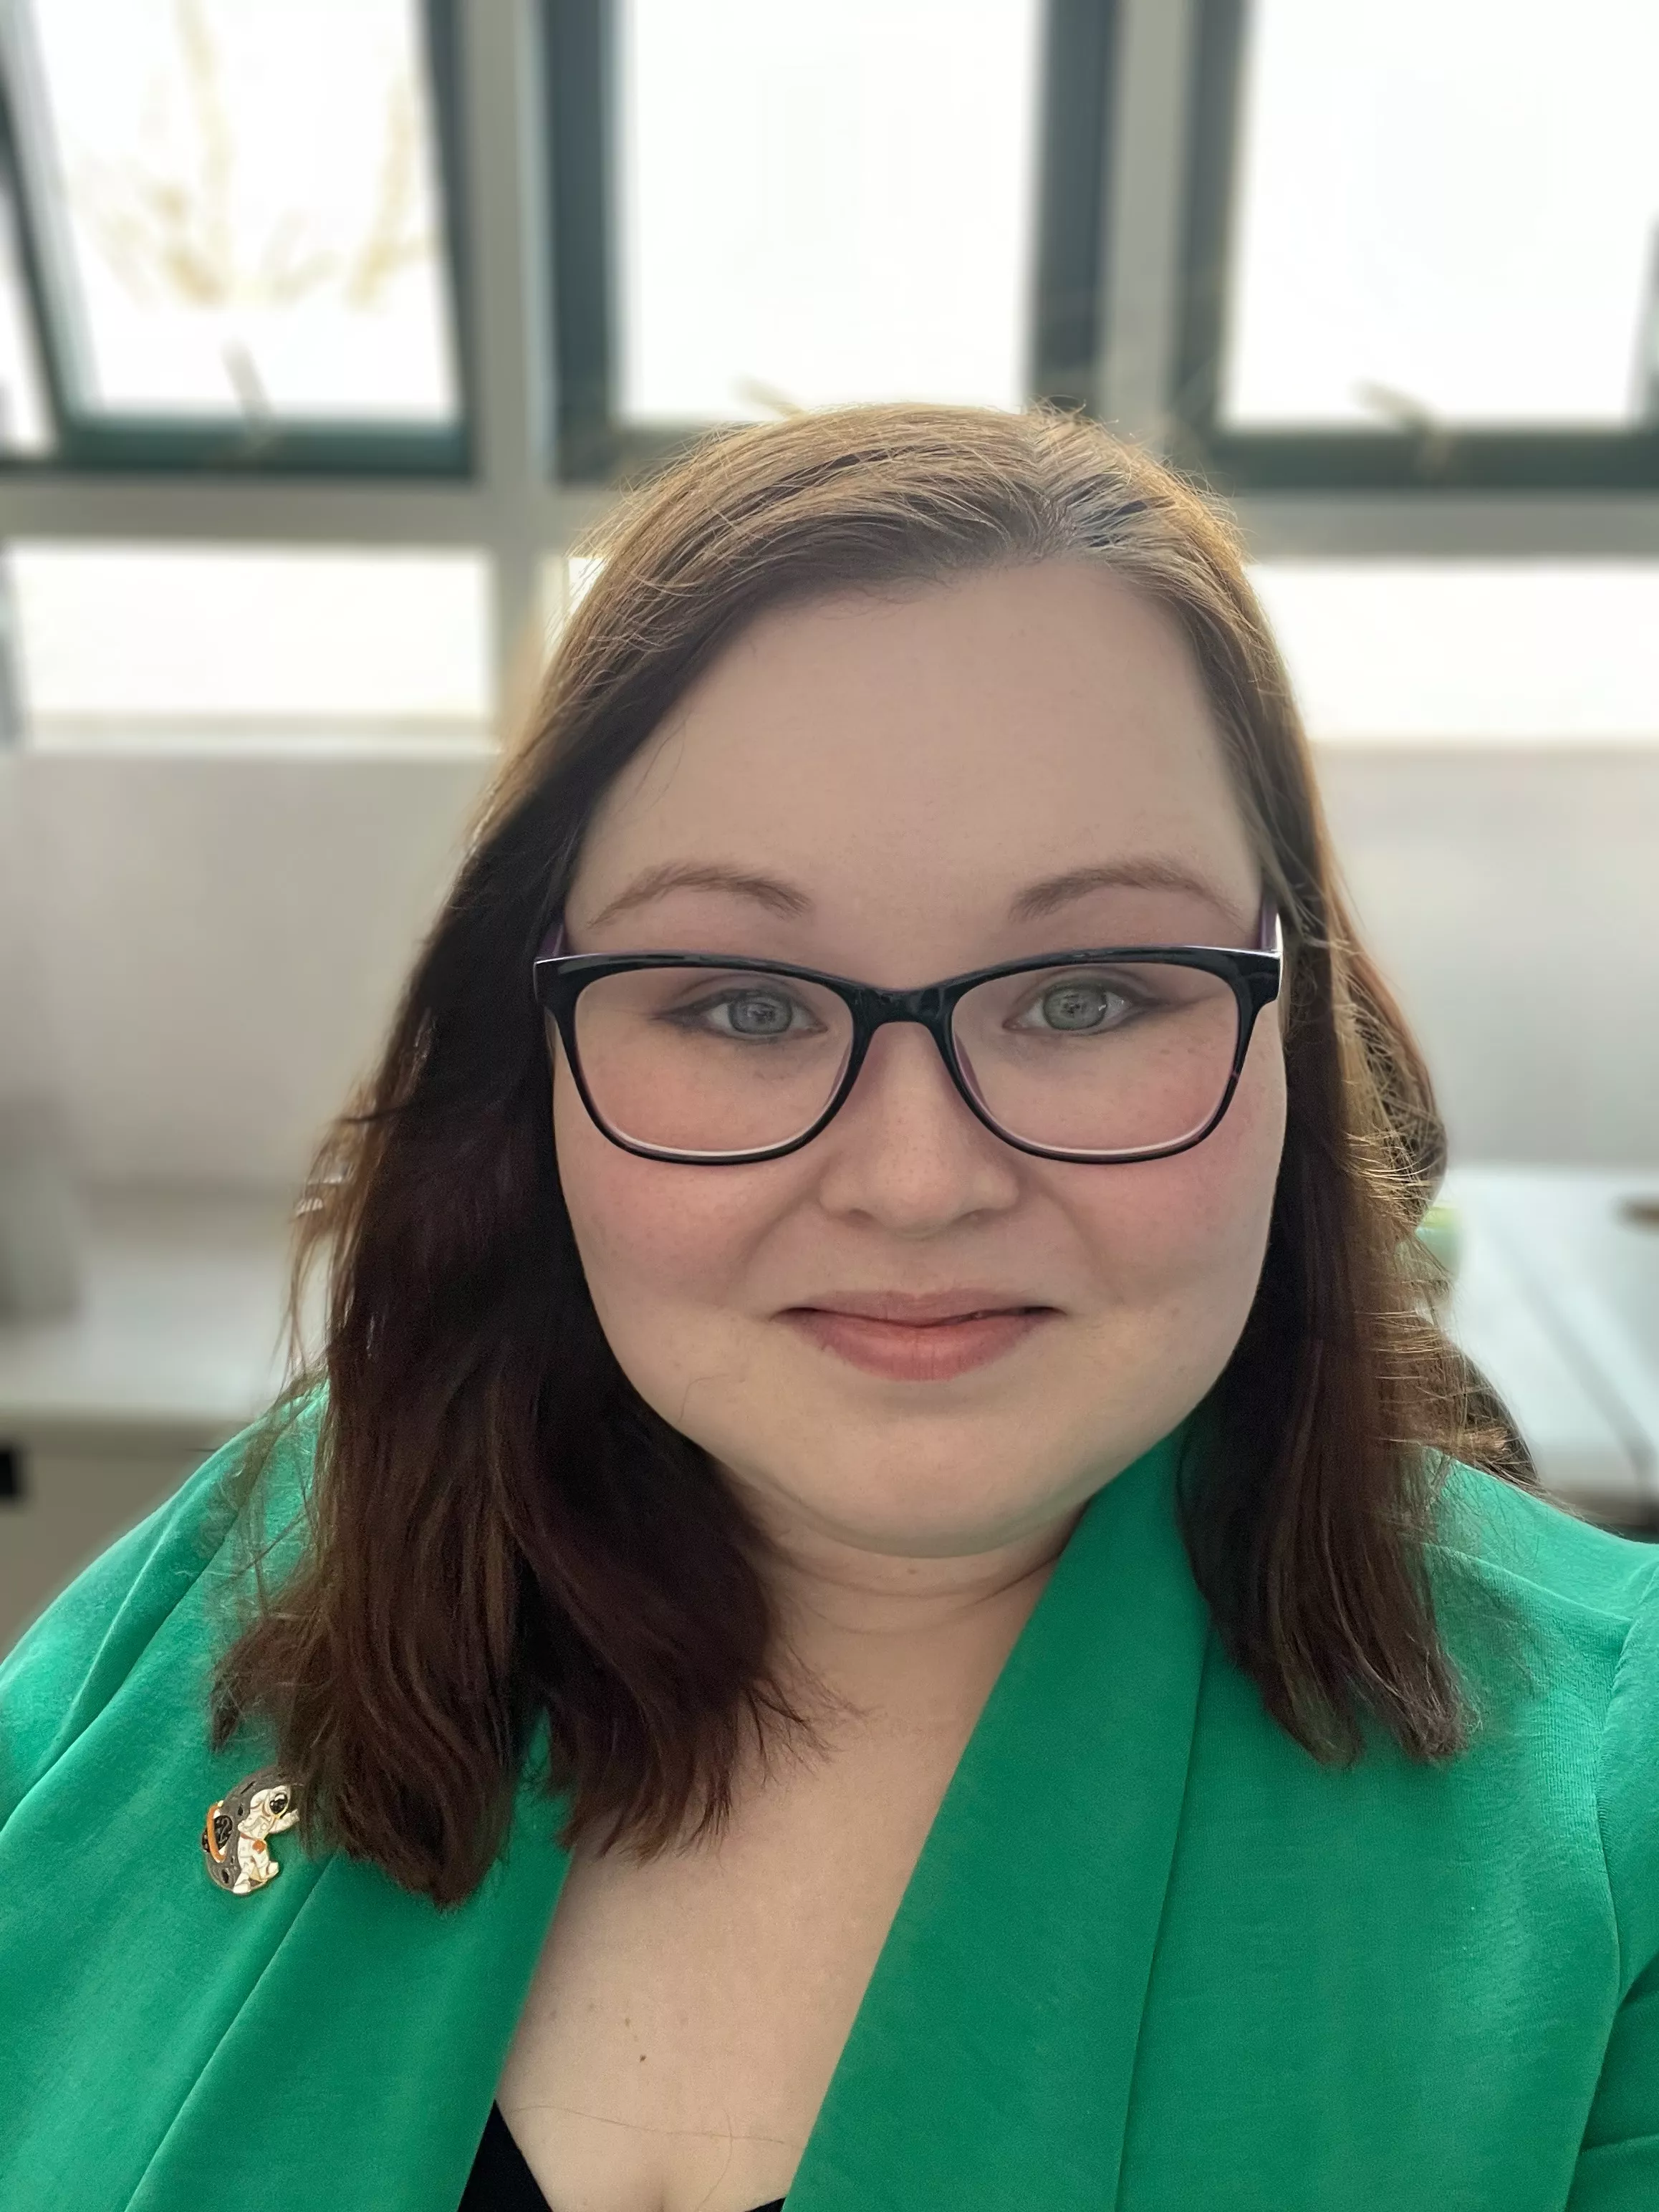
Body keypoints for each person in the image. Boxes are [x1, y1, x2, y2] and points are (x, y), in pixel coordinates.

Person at [1, 404, 1655, 2212]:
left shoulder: (1615, 1822)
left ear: (1289, 1024)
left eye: (1091, 995)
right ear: (528, 1056)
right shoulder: (240, 1563)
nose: (918, 1179)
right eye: (741, 1002)